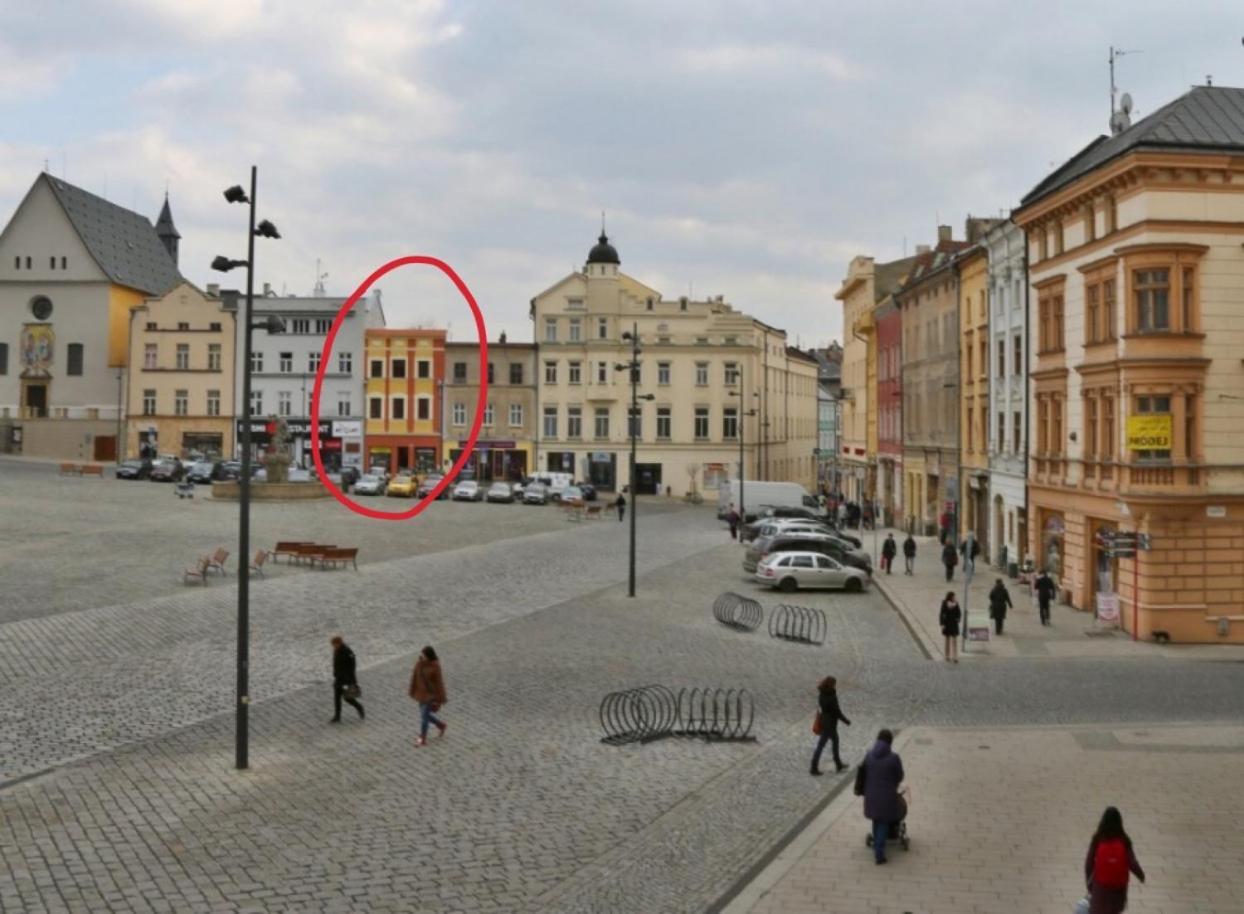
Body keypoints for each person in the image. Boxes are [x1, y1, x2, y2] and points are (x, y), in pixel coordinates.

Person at [1084, 806, 1145, 913]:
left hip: (1100, 887)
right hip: (1118, 888)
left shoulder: (1098, 838)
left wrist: (1089, 884)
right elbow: (1132, 863)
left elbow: (1088, 864)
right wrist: (1141, 875)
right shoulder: (1124, 839)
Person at [860, 728, 904, 865]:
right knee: (884, 821)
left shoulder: (868, 755)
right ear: (890, 742)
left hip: (871, 795)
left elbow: (864, 773)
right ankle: (879, 853)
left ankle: (876, 844)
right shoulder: (894, 758)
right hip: (887, 797)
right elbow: (900, 776)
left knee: (876, 819)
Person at [810, 675, 851, 776]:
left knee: (835, 741)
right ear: (831, 685)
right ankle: (814, 767)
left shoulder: (821, 694)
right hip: (830, 724)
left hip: (824, 721)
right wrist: (846, 721)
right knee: (822, 745)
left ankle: (838, 764)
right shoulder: (831, 696)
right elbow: (837, 712)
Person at [409, 645, 448, 747]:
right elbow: (415, 677)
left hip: (431, 696)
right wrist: (413, 690)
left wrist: (441, 698)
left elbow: (439, 683)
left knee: (424, 718)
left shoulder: (435, 666)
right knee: (424, 715)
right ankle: (441, 725)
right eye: (421, 654)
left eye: (424, 655)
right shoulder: (419, 664)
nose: (422, 656)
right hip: (421, 695)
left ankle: (422, 738)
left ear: (429, 656)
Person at [329, 636, 365, 723]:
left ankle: (359, 707)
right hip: (338, 679)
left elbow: (352, 667)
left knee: (347, 698)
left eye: (334, 645)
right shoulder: (337, 651)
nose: (333, 647)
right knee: (337, 698)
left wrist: (351, 680)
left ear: (339, 643)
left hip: (346, 680)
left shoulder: (347, 652)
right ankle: (337, 716)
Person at [939, 591, 961, 663]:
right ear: (950, 597)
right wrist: (942, 624)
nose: (955, 598)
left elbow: (959, 612)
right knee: (947, 640)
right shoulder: (944, 603)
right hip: (947, 623)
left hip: (954, 624)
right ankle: (947, 655)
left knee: (954, 640)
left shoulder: (956, 603)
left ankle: (955, 656)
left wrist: (958, 618)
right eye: (953, 596)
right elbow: (941, 613)